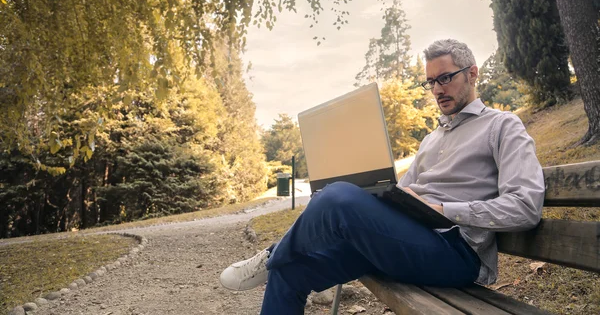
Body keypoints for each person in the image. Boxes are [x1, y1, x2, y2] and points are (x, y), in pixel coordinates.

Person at [219, 39, 545, 314]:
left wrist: (444, 209)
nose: (436, 90)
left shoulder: (502, 126)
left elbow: (526, 207)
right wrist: (385, 198)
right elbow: (405, 194)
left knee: (336, 197)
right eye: (430, 82)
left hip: (457, 253)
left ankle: (270, 255)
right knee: (289, 272)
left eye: (445, 78)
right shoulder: (432, 139)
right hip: (407, 241)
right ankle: (276, 260)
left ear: (472, 73)